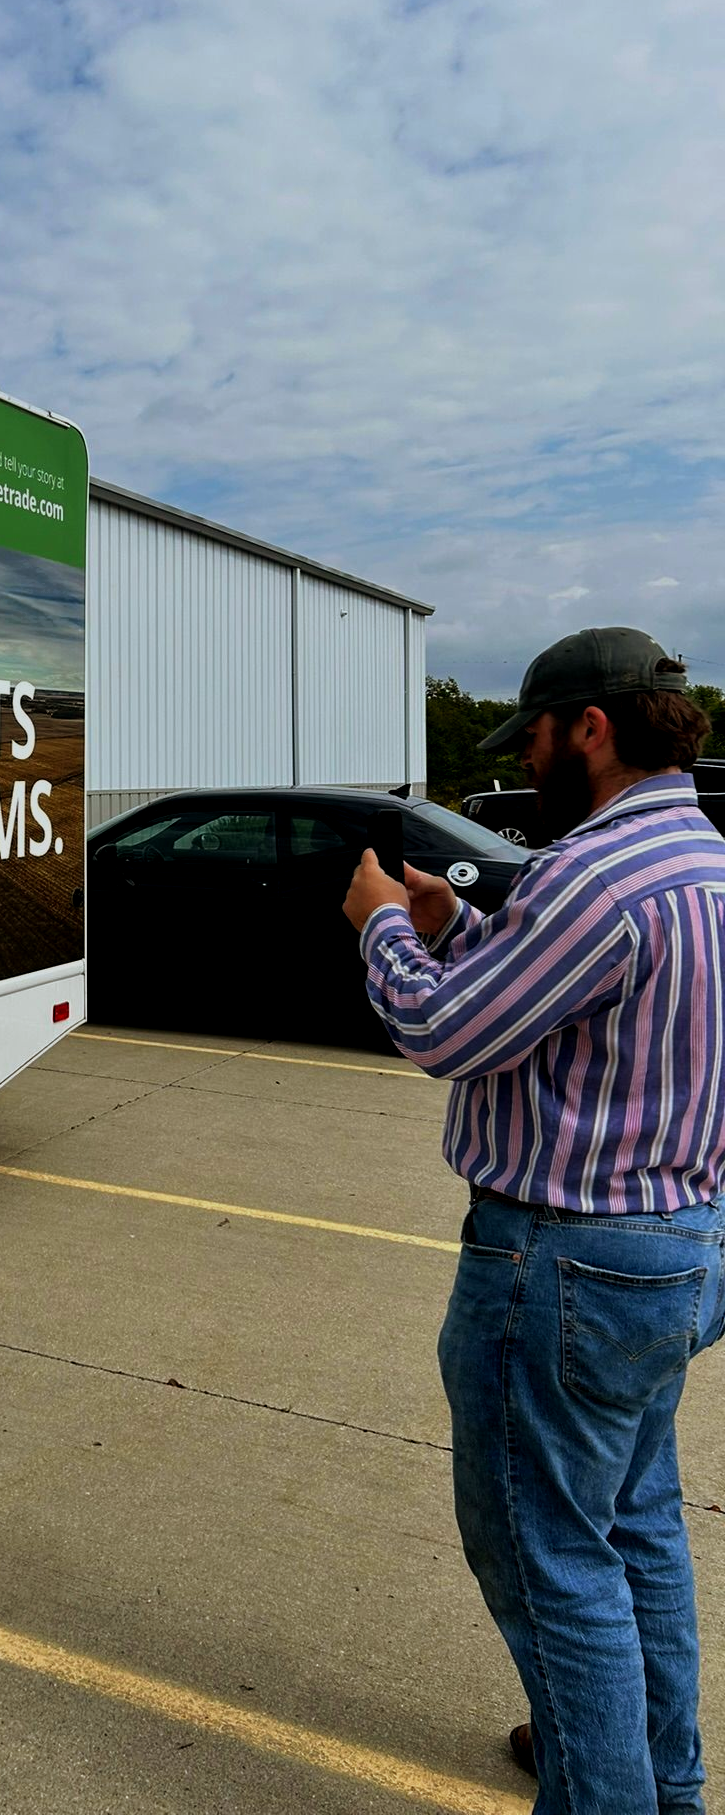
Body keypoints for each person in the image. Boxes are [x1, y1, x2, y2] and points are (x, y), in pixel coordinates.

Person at [343, 626, 725, 1814]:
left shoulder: (593, 871)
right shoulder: (701, 854)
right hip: (675, 1241)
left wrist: (380, 924)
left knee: (550, 1557)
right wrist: (455, 923)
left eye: (542, 735)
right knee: (635, 1523)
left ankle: (604, 1784)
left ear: (591, 728)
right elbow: (553, 998)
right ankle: (659, 1775)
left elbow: (446, 1032)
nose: (535, 756)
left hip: (562, 1262)